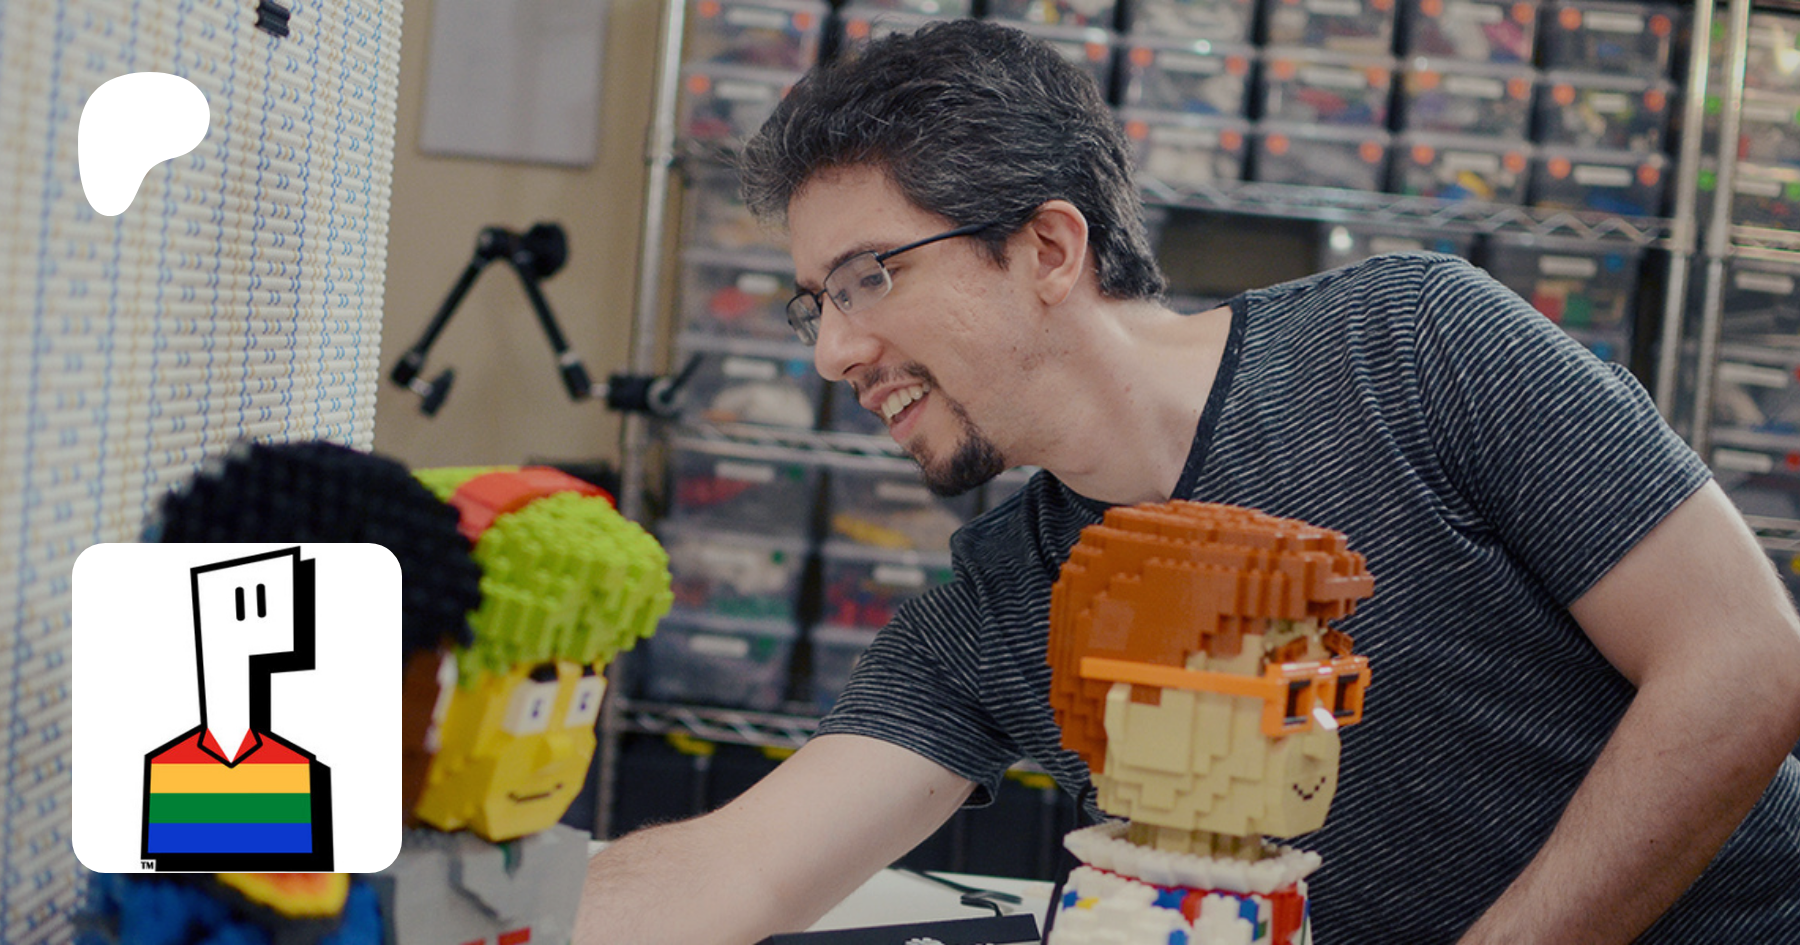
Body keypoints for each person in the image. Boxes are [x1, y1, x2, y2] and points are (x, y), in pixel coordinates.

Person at [578, 19, 1800, 945]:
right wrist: (491, 905)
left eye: (868, 279)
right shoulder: (1004, 605)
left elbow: (1745, 660)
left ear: (1047, 247)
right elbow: (738, 867)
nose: (834, 352)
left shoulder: (1410, 346)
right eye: (815, 305)